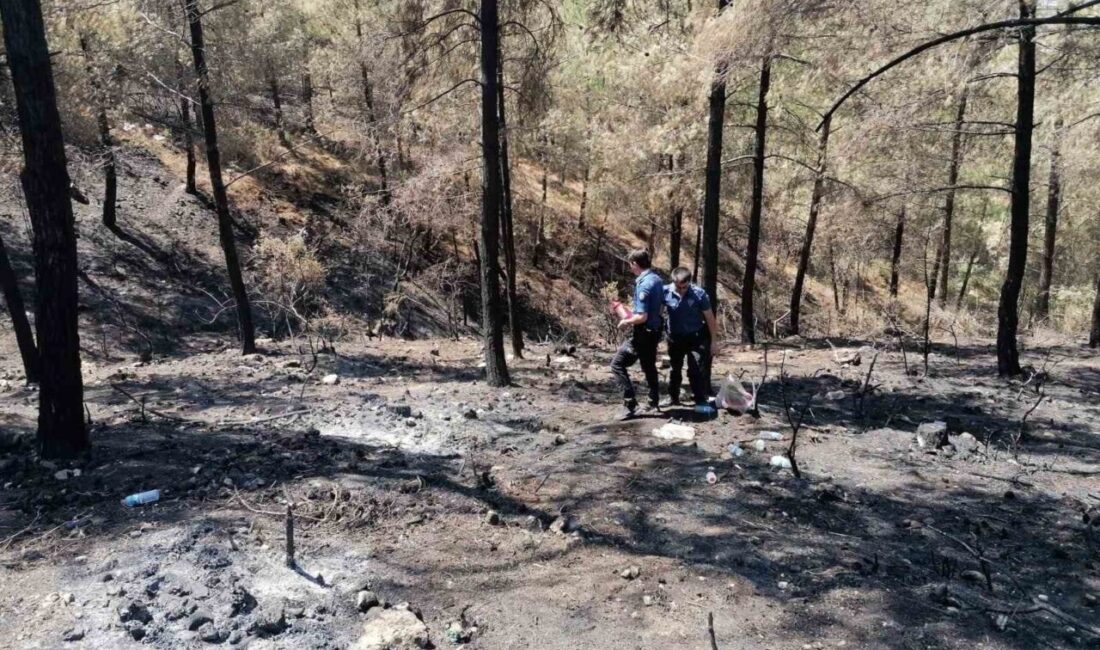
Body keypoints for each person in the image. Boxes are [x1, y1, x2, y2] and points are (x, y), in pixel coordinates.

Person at [610, 249, 664, 420]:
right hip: (654, 331)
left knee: (617, 364)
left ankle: (630, 404)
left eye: (630, 264)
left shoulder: (644, 284)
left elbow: (642, 316)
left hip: (643, 334)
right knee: (648, 366)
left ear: (635, 264)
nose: (630, 268)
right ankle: (653, 401)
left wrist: (625, 321)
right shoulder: (657, 279)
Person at [662, 266, 719, 407]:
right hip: (675, 338)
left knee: (696, 369)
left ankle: (700, 399)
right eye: (678, 287)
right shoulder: (665, 292)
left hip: (696, 337)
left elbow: (710, 319)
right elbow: (659, 313)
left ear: (690, 282)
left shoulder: (699, 294)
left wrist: (714, 342)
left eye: (685, 287)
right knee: (675, 369)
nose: (681, 290)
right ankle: (673, 397)